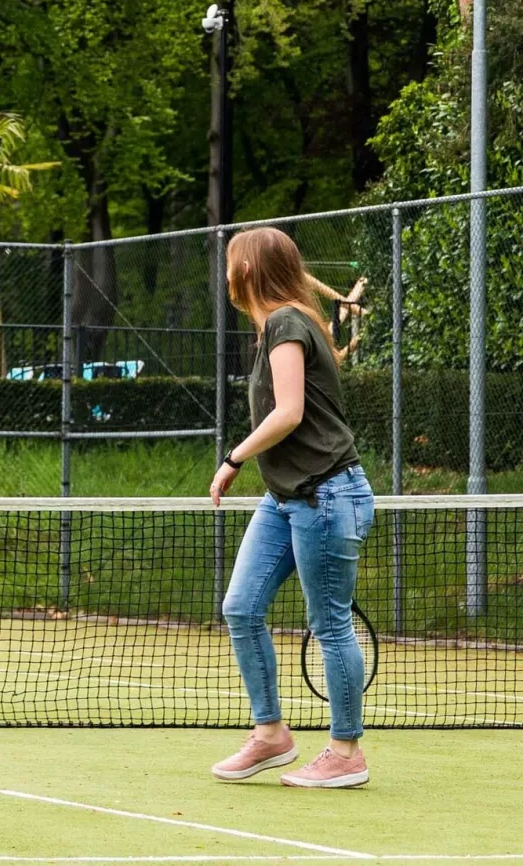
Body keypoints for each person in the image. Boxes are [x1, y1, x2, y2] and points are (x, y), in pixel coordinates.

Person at [209, 226, 375, 789]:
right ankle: (272, 735)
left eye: (232, 262)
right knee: (241, 606)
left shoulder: (285, 322)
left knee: (330, 625)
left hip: (328, 494)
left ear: (249, 270)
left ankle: (346, 751)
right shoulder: (282, 323)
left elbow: (288, 412)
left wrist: (232, 458)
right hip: (286, 498)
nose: (225, 271)